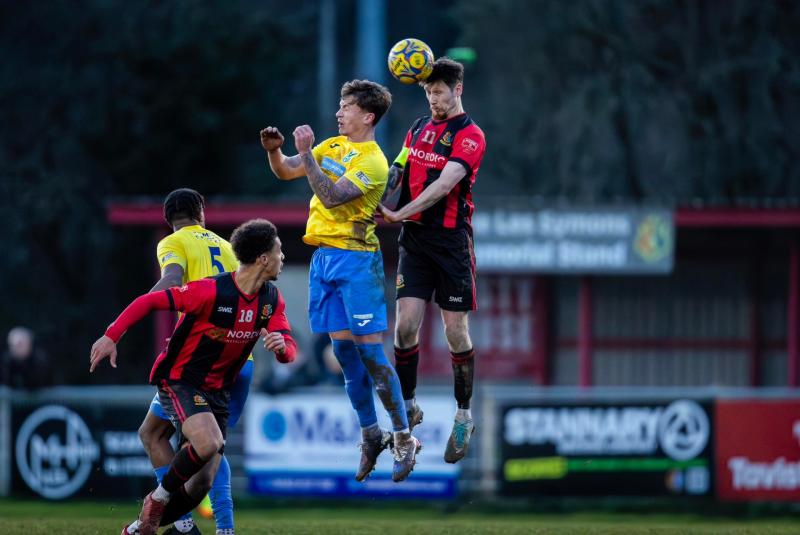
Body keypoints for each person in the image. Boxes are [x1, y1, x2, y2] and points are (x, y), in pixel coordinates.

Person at [89, 219, 295, 535]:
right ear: (263, 259)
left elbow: (288, 350)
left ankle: (138, 528)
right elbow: (150, 301)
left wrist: (282, 349)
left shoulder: (272, 300)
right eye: (279, 251)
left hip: (219, 390)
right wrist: (111, 335)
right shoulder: (210, 290)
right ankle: (159, 498)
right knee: (208, 442)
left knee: (203, 482)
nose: (283, 257)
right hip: (181, 380)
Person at [259, 79, 419, 483]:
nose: (338, 113)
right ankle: (371, 435)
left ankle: (404, 437)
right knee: (344, 354)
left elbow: (330, 196)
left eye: (346, 107)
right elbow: (286, 171)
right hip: (324, 260)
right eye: (340, 106)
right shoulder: (331, 146)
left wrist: (305, 153)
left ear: (368, 116)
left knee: (372, 355)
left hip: (357, 261)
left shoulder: (374, 162)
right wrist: (275, 151)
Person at [379, 58, 487, 463]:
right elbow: (397, 169)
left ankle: (464, 415)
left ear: (458, 89)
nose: (433, 99)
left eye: (439, 92)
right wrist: (377, 198)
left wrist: (399, 213)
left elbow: (443, 186)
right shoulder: (418, 128)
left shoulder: (471, 135)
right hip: (415, 242)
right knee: (405, 326)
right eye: (427, 92)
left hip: (451, 244)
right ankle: (408, 406)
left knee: (455, 332)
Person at [137, 188, 248, 535]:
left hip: (200, 362)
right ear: (202, 213)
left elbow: (171, 278)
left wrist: (136, 311)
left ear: (168, 219)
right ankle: (221, 528)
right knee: (211, 446)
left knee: (158, 435)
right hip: (240, 359)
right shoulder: (229, 247)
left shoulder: (173, 242)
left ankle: (185, 525)